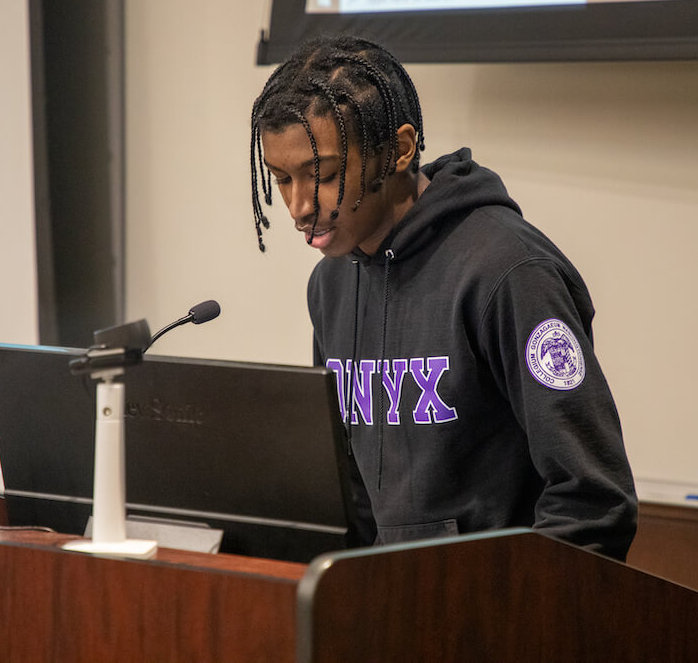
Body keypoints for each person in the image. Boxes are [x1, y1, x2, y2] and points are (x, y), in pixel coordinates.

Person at [249, 36, 637, 560]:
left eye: (325, 177)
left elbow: (594, 500)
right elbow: (354, 495)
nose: (297, 207)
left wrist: (494, 616)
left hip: (493, 617)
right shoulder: (332, 283)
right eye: (281, 179)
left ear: (401, 150)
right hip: (394, 614)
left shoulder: (509, 272)